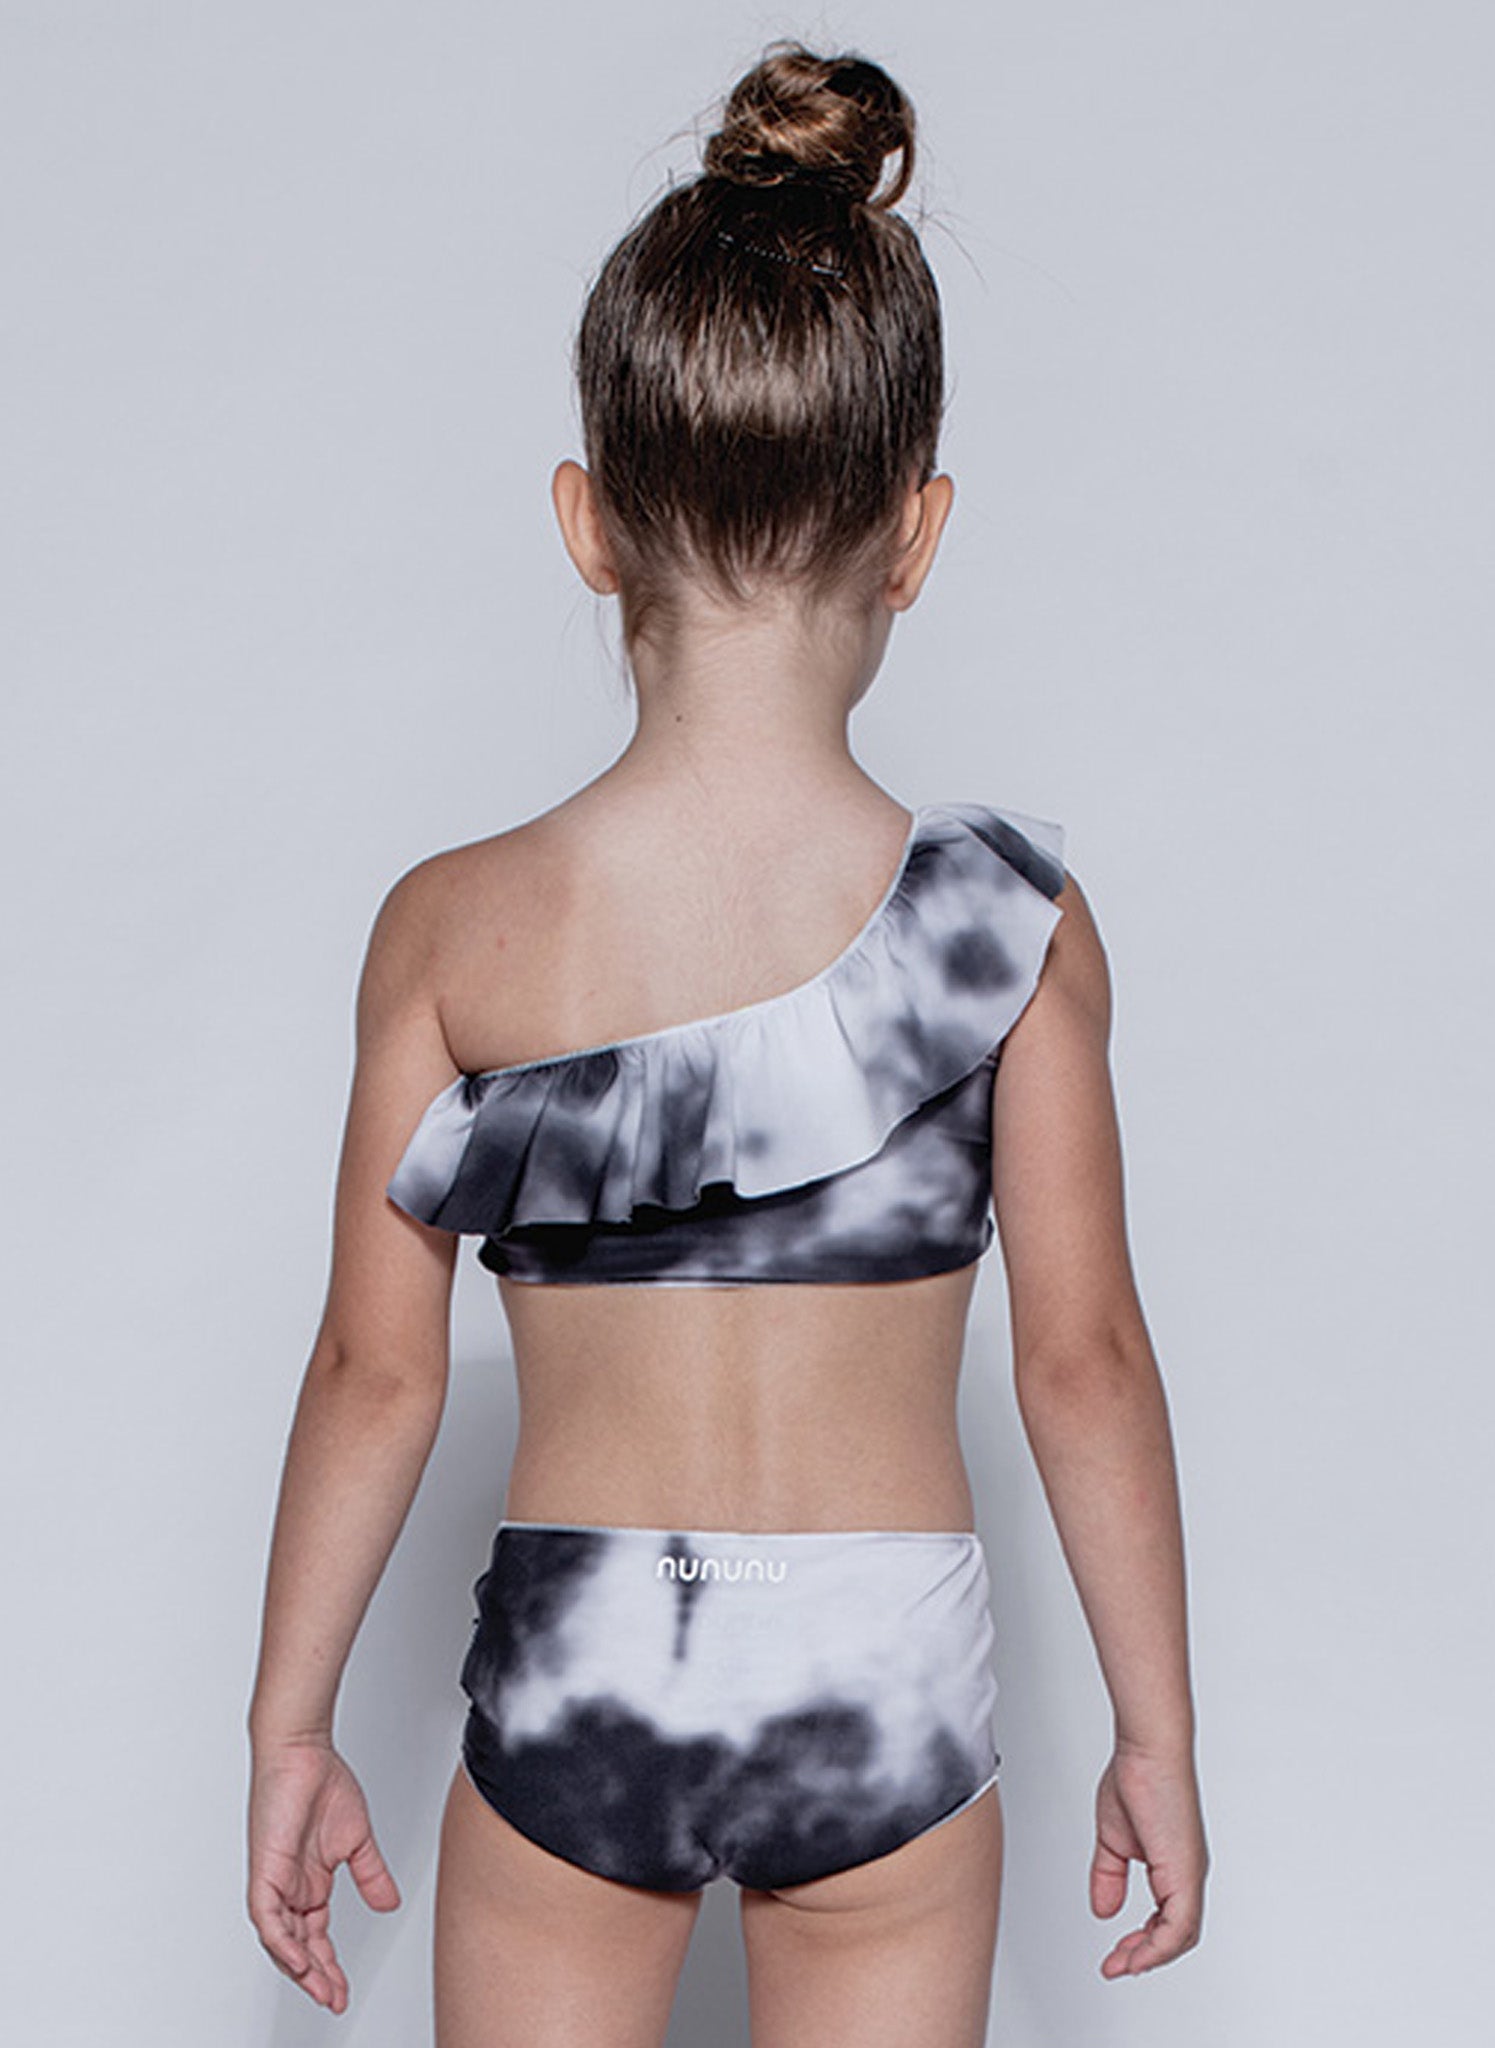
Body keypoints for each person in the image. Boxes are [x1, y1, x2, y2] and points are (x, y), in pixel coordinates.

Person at [246, 39, 1208, 2047]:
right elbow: (1085, 1363)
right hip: (882, 1667)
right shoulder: (1013, 929)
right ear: (917, 534)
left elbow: (371, 1371)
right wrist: (1155, 1732)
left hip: (585, 1662)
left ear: (588, 523)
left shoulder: (451, 928)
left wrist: (290, 1724)